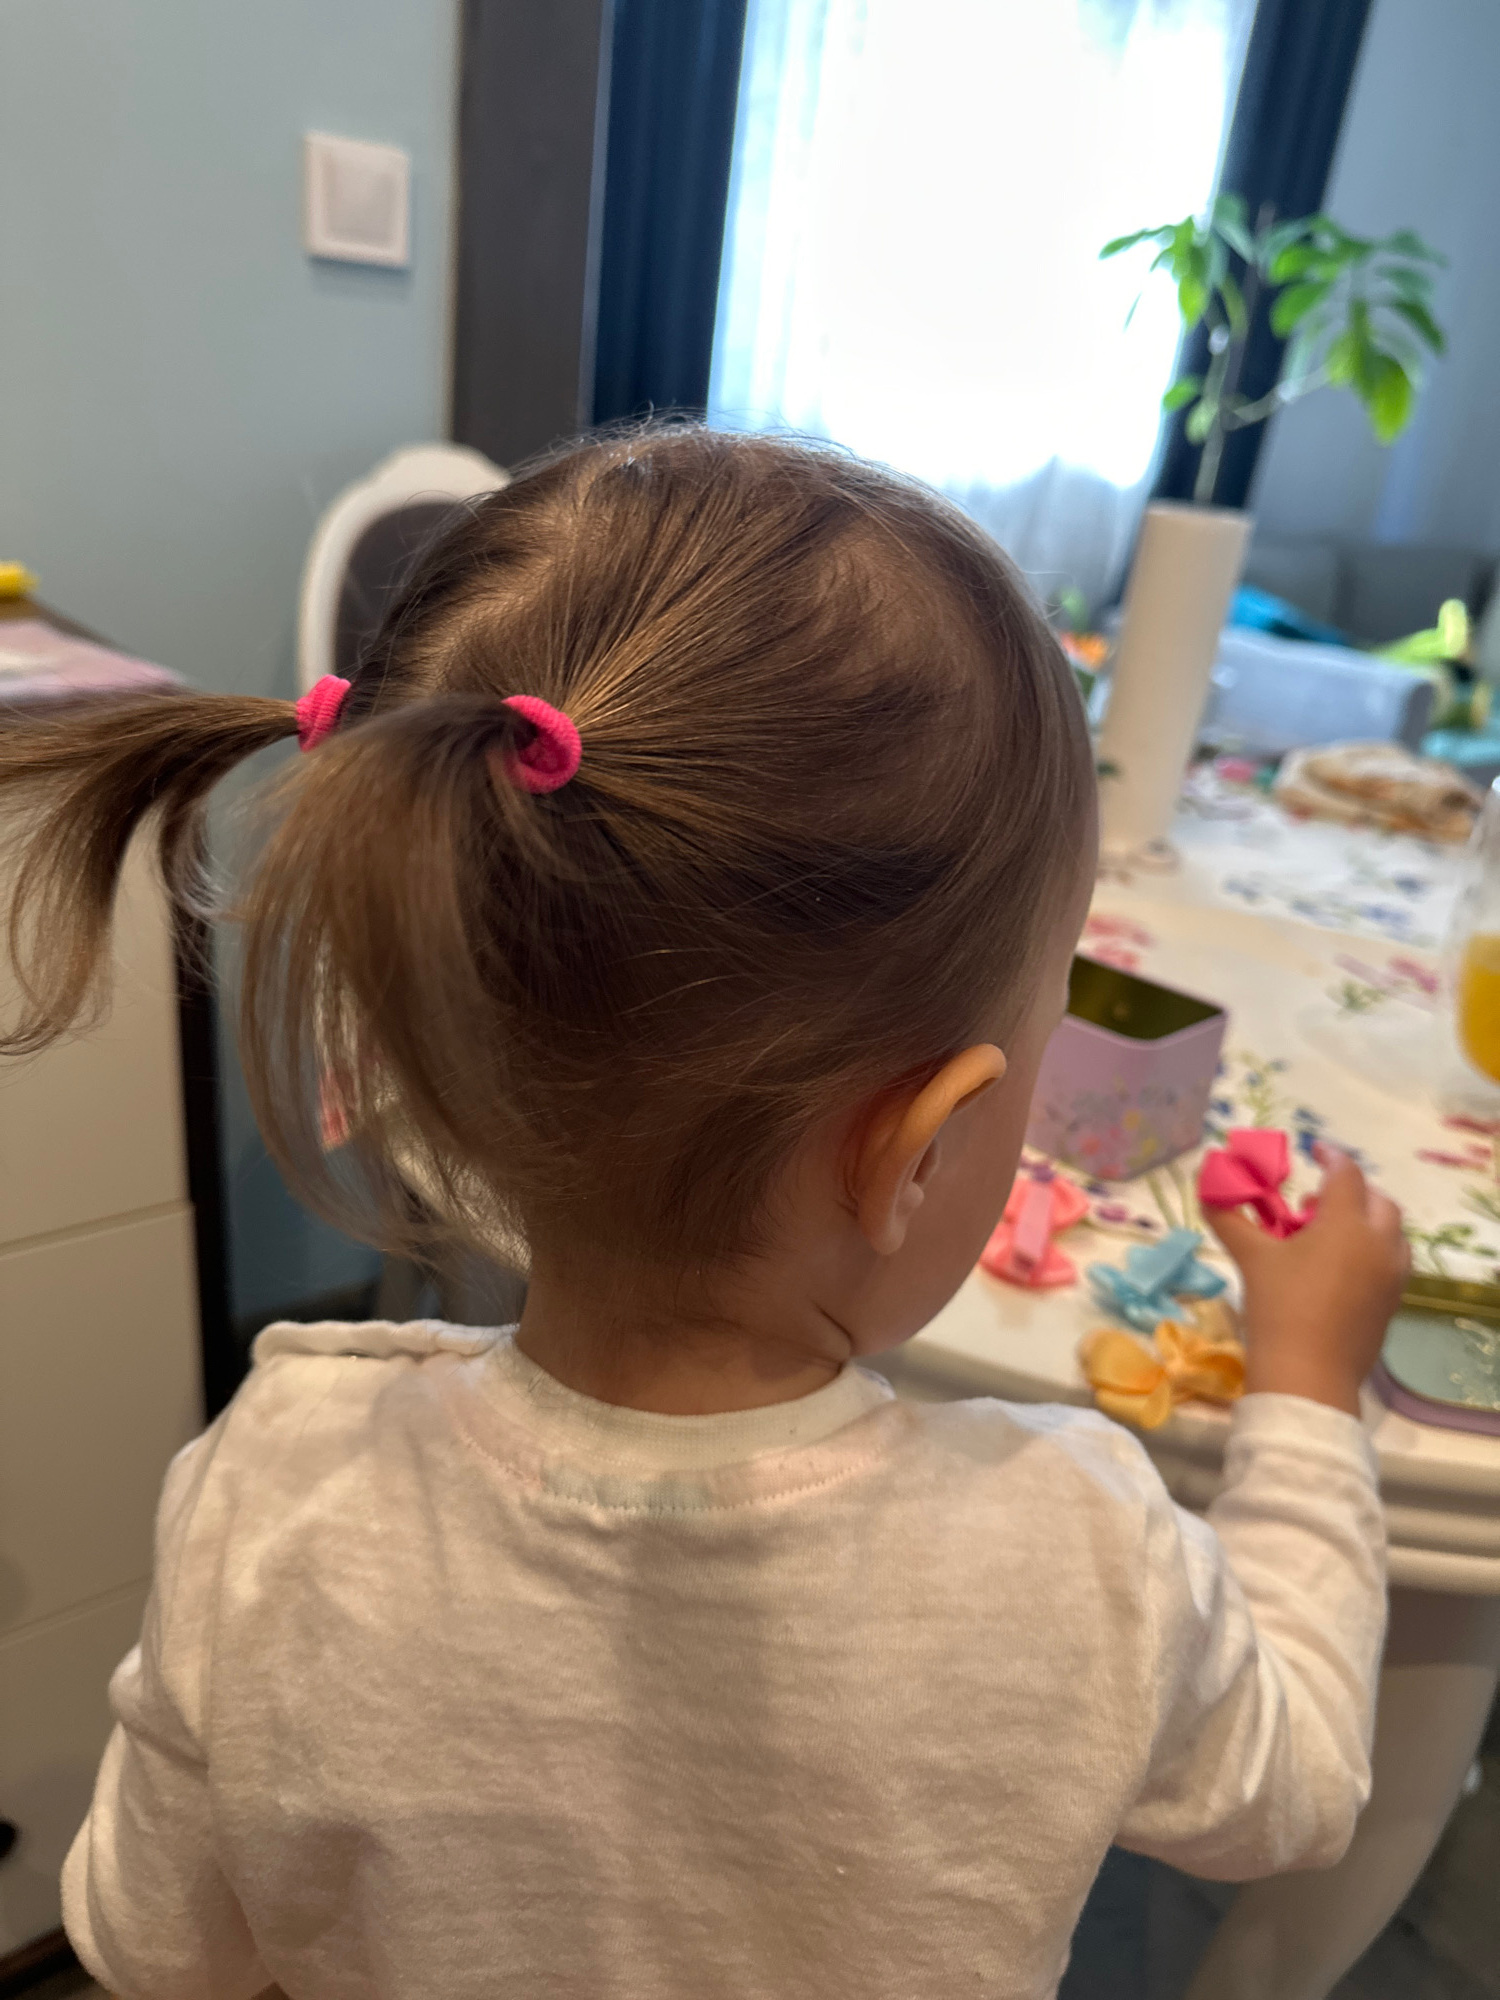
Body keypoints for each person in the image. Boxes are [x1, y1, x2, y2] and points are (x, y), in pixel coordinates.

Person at [0, 427, 1407, 2000]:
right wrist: (1306, 1396)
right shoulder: (1081, 1557)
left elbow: (154, 1944)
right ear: (920, 1146)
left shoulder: (276, 1492)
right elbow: (1301, 1778)